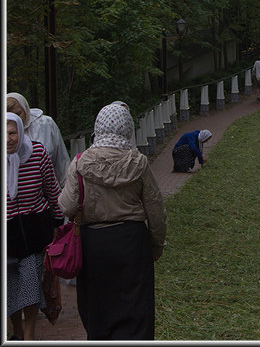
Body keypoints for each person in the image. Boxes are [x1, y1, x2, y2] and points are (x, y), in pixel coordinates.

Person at [59, 103, 167, 341]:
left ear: (99, 127)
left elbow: (66, 206)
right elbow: (156, 210)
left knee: (98, 310)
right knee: (136, 310)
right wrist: (156, 245)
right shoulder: (138, 163)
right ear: (127, 128)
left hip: (93, 246)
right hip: (132, 245)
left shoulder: (80, 163)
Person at [7, 112, 64, 341]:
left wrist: (59, 221)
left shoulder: (37, 153)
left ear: (21, 132)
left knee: (30, 287)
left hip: (34, 233)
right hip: (7, 237)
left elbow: (52, 189)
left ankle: (29, 334)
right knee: (11, 289)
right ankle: (17, 329)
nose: (8, 138)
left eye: (12, 133)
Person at [7, 92, 71, 187]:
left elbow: (62, 162)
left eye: (18, 114)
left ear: (25, 110)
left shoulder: (46, 124)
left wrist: (69, 192)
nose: (15, 119)